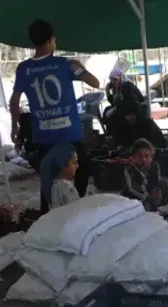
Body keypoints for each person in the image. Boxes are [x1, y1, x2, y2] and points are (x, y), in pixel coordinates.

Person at [9, 19, 100, 213]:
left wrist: (15, 128)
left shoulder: (23, 68)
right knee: (83, 167)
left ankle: (49, 215)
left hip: (43, 135)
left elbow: (14, 101)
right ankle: (73, 205)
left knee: (48, 176)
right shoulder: (65, 64)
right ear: (51, 40)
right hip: (68, 133)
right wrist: (79, 67)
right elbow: (96, 82)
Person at [121, 138, 168, 212]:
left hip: (148, 190)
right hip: (135, 194)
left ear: (151, 157)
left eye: (146, 156)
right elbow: (132, 188)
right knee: (127, 194)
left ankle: (155, 207)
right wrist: (147, 197)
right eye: (140, 156)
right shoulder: (129, 169)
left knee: (163, 184)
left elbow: (155, 181)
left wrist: (156, 191)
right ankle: (143, 208)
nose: (143, 159)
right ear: (134, 157)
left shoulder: (154, 165)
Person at [104, 68, 145, 133]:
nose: (113, 82)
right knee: (107, 109)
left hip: (135, 108)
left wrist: (114, 109)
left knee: (116, 114)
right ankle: (110, 133)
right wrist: (107, 91)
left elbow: (128, 101)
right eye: (111, 80)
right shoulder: (116, 88)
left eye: (115, 79)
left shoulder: (127, 85)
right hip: (125, 107)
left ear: (121, 78)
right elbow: (113, 103)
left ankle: (116, 134)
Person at [41, 143, 80, 209]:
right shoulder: (62, 187)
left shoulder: (59, 184)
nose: (77, 166)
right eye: (74, 163)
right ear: (61, 165)